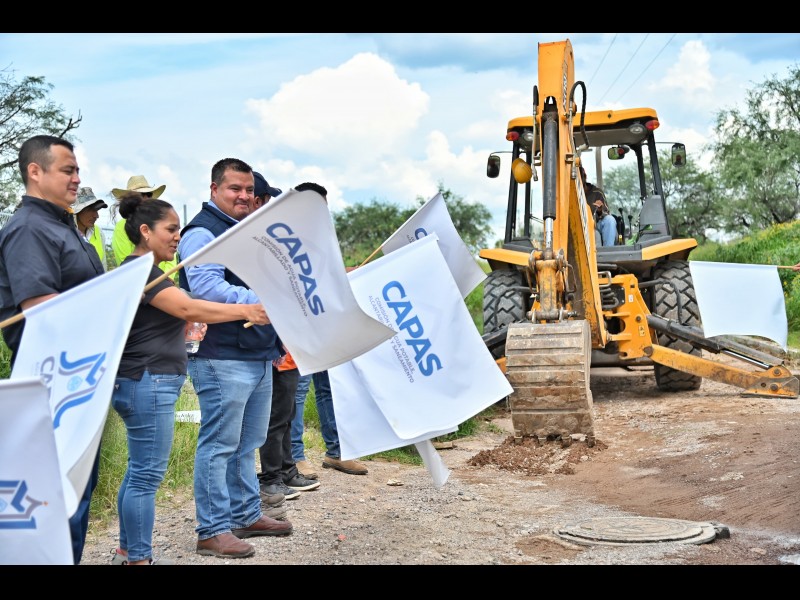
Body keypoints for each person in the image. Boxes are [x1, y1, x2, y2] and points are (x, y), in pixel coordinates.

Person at [109, 192, 271, 566]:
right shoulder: (144, 273)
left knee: (138, 473)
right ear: (146, 231)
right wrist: (245, 309)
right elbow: (188, 307)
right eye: (170, 229)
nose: (177, 237)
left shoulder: (144, 271)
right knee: (146, 476)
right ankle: (138, 558)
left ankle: (128, 552)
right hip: (148, 381)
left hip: (143, 380)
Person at [177, 158, 292, 559]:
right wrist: (269, 299)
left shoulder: (243, 229)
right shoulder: (203, 233)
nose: (244, 196)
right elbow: (205, 288)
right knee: (219, 445)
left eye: (248, 190)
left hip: (256, 353)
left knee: (247, 443)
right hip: (222, 356)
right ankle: (211, 530)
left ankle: (244, 514)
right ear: (214, 190)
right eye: (234, 189)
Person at [0, 134, 105, 565]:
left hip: (79, 378)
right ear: (35, 171)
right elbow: (40, 307)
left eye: (77, 170)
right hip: (51, 383)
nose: (77, 179)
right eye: (68, 170)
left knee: (76, 494)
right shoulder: (29, 228)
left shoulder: (63, 225)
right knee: (58, 501)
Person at [286, 182, 369, 479]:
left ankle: (336, 452)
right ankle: (295, 456)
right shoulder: (286, 238)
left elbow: (327, 275)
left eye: (324, 207)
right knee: (298, 391)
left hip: (325, 324)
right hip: (300, 327)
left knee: (329, 388)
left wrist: (350, 273)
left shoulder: (323, 239)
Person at [110, 175, 177, 278]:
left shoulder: (158, 221)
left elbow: (171, 256)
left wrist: (165, 278)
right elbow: (125, 259)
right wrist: (157, 279)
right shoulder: (121, 226)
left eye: (148, 194)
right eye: (141, 195)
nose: (145, 198)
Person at [72, 187, 109, 270]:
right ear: (77, 212)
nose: (96, 216)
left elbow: (103, 266)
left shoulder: (99, 232)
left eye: (97, 210)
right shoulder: (66, 233)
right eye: (90, 210)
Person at [580, 165, 617, 247]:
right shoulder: (569, 194)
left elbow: (606, 212)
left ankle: (608, 251)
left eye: (581, 177)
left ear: (585, 177)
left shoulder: (597, 193)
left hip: (595, 224)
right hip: (578, 226)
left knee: (610, 220)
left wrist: (600, 210)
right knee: (595, 235)